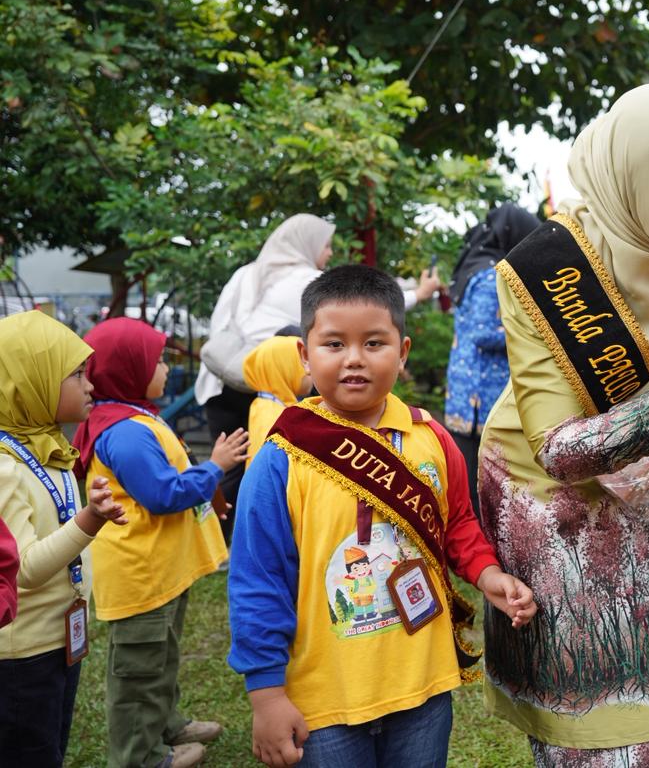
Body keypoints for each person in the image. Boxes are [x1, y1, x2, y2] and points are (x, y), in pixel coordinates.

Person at [478, 83, 649, 766]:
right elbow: (557, 452)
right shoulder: (542, 271)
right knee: (589, 729)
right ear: (642, 178)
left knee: (648, 715)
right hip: (558, 518)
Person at [227, 264, 536, 768]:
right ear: (304, 354)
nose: (354, 359)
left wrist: (487, 574)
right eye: (334, 344)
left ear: (403, 351)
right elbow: (259, 579)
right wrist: (266, 694)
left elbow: (457, 522)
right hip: (324, 699)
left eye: (374, 343)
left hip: (423, 688)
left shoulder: (431, 439)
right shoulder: (281, 457)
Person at [197, 214, 442, 540]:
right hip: (276, 381)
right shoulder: (303, 280)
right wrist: (420, 293)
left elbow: (218, 325)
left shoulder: (244, 275)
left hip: (225, 382)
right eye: (325, 245)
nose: (328, 253)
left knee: (235, 467)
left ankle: (218, 539)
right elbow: (367, 307)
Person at [74, 317, 248, 768]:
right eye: (157, 361)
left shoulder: (134, 416)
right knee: (139, 673)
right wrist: (216, 467)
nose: (167, 369)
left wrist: (206, 491)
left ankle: (166, 725)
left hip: (160, 570)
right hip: (142, 575)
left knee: (160, 658)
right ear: (128, 369)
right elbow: (162, 494)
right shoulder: (125, 432)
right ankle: (141, 756)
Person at [0, 311, 127, 767]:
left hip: (57, 640)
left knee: (51, 748)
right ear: (30, 382)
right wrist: (89, 520)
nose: (90, 386)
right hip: (23, 655)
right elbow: (23, 569)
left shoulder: (47, 447)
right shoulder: (5, 467)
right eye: (75, 375)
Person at [444, 203, 540, 508]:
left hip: (467, 390)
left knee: (469, 479)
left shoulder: (475, 266)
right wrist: (533, 331)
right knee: (478, 483)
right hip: (481, 394)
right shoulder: (489, 276)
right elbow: (482, 333)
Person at [243, 335, 312, 467]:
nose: (311, 371)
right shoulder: (274, 417)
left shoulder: (263, 404)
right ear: (287, 369)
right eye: (304, 363)